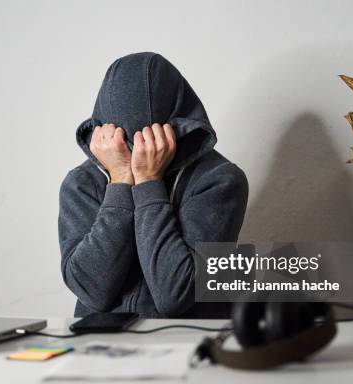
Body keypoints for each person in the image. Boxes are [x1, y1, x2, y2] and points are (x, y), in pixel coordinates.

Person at [58, 52, 248, 318]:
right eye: (125, 141)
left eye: (145, 141)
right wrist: (120, 181)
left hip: (187, 345)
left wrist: (149, 182)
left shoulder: (219, 180)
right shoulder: (81, 183)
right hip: (101, 347)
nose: (136, 151)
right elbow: (92, 291)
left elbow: (176, 295)